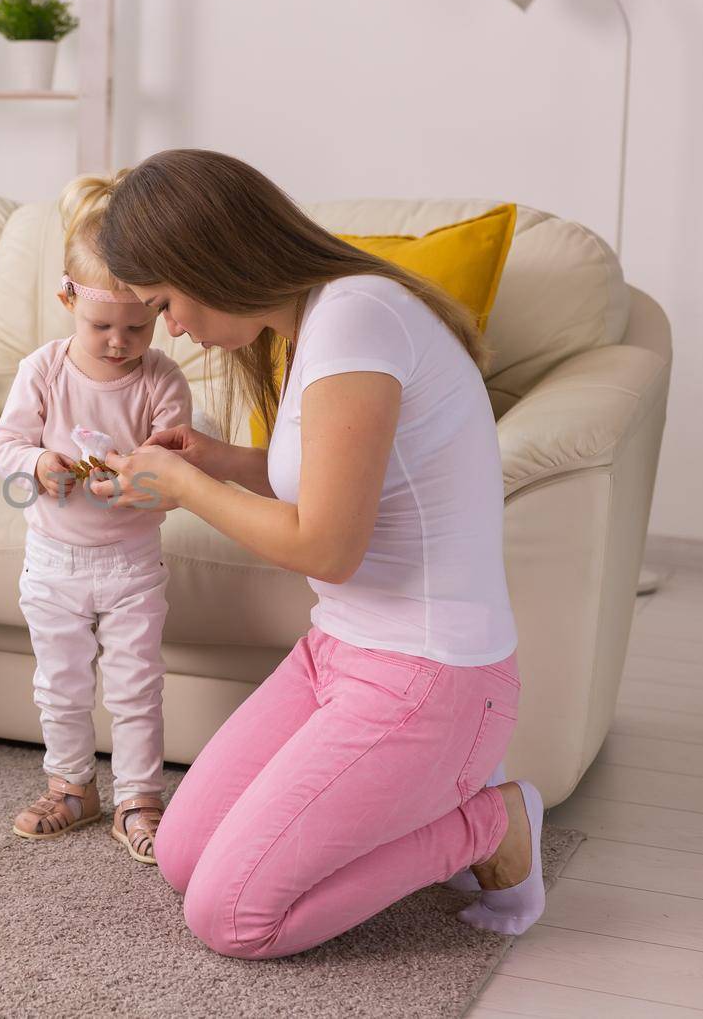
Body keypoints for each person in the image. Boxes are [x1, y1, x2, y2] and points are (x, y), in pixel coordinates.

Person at [89, 149, 543, 956]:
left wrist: (184, 489)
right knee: (183, 855)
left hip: (432, 676)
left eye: (165, 303)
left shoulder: (357, 317)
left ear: (211, 257)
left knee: (231, 918)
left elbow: (328, 545)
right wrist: (218, 460)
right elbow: (347, 480)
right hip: (339, 652)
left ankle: (489, 824)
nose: (174, 328)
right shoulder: (319, 318)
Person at [0, 171, 194, 864]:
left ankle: (139, 795)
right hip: (53, 561)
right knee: (60, 682)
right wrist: (38, 463)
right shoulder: (43, 371)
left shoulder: (162, 381)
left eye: (137, 326)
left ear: (159, 314)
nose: (117, 341)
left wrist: (137, 484)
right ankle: (72, 785)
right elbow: (2, 444)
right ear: (66, 298)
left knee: (138, 684)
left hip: (131, 564)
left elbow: (175, 474)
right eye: (101, 325)